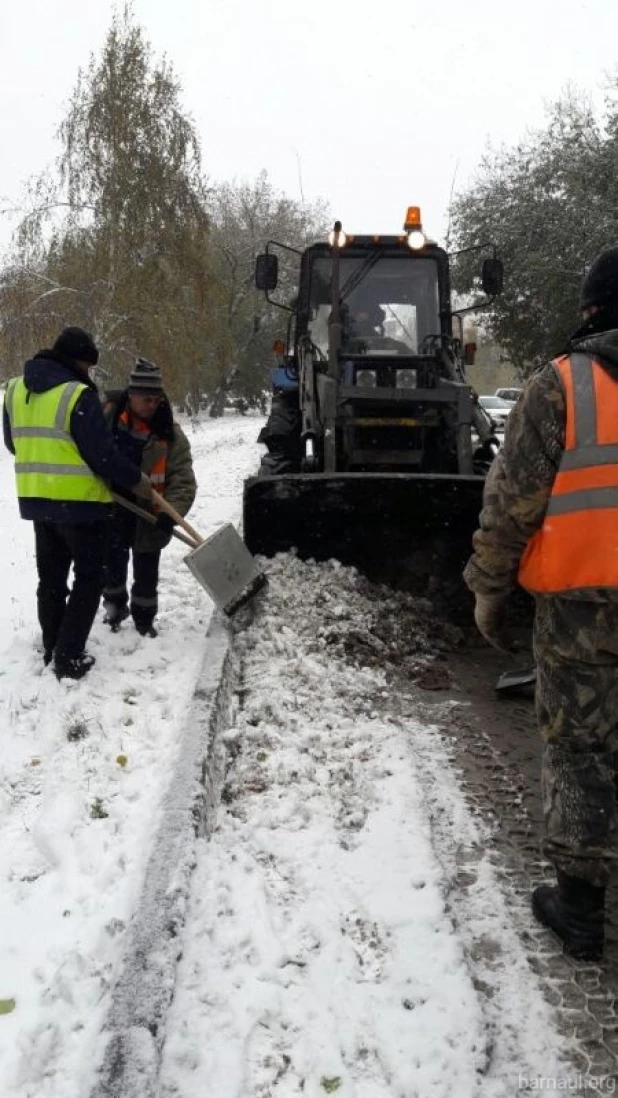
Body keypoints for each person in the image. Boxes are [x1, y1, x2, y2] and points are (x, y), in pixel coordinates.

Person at [463, 247, 618, 961]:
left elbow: (512, 502)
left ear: (591, 309)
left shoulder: (564, 386)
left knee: (583, 747)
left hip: (587, 613)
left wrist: (489, 588)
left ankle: (581, 907)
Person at [3, 327, 151, 680]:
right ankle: (69, 658)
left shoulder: (14, 389)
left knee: (51, 579)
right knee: (89, 579)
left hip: (38, 499)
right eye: (87, 365)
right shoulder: (77, 394)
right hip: (82, 506)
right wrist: (136, 480)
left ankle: (53, 646)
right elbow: (102, 455)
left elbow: (13, 444)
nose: (89, 372)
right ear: (77, 361)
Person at [102, 357, 197, 637]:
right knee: (112, 566)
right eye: (146, 399)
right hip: (113, 507)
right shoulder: (106, 419)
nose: (152, 405)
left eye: (157, 399)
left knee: (146, 574)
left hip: (151, 515)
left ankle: (144, 621)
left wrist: (170, 514)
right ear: (131, 396)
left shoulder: (169, 432)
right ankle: (114, 609)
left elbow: (183, 479)